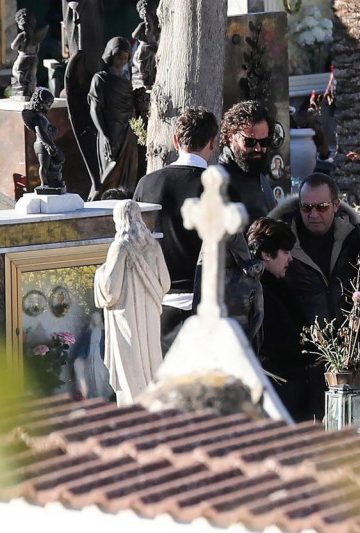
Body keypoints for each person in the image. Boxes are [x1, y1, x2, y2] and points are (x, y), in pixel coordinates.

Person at [268, 172, 360, 421]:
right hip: (297, 362)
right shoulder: (281, 242)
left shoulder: (352, 237)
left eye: (321, 207)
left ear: (335, 205)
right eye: (306, 207)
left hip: (346, 357)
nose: (313, 215)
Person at [133, 106, 219, 355]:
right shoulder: (218, 188)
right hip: (205, 308)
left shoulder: (147, 183)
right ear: (212, 142)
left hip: (157, 307)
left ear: (175, 141)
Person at [94, 200, 170, 406]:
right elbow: (165, 284)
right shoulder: (153, 245)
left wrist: (99, 273)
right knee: (151, 361)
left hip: (125, 317)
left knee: (131, 367)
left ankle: (134, 411)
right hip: (151, 316)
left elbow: (110, 291)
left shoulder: (119, 247)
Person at [247, 217, 304, 417]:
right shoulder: (261, 293)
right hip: (277, 382)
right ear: (266, 254)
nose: (290, 259)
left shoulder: (273, 288)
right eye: (286, 252)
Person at [88, 36, 139, 199]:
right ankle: (97, 203)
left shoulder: (126, 80)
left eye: (126, 57)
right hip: (110, 133)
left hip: (127, 133)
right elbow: (94, 110)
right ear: (111, 55)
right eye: (120, 57)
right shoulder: (100, 78)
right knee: (109, 175)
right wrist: (104, 135)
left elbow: (131, 107)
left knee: (128, 177)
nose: (123, 60)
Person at [219, 100, 280, 223]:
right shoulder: (221, 180)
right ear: (231, 136)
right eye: (250, 142)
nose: (258, 148)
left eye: (264, 142)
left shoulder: (258, 173)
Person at [22, 88, 65, 191]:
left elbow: (46, 130)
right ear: (41, 103)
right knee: (44, 166)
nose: (49, 106)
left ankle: (53, 180)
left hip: (46, 143)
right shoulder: (37, 118)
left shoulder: (42, 117)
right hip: (41, 145)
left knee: (54, 163)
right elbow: (41, 133)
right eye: (48, 103)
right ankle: (45, 184)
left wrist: (51, 129)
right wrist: (49, 144)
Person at [11, 9, 48, 98]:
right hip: (34, 58)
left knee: (16, 70)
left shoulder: (22, 36)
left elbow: (13, 46)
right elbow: (37, 48)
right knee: (32, 75)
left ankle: (22, 83)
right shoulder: (35, 36)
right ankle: (30, 90)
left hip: (23, 57)